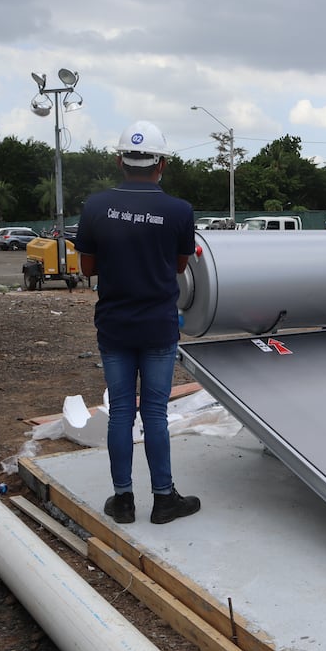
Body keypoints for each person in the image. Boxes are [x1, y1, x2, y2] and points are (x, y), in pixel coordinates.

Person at [75, 120, 200, 525]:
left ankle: (123, 500)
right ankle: (164, 500)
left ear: (119, 160)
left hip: (115, 325)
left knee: (122, 410)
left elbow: (88, 267)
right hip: (159, 325)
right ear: (161, 163)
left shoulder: (95, 207)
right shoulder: (179, 211)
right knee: (157, 413)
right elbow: (180, 265)